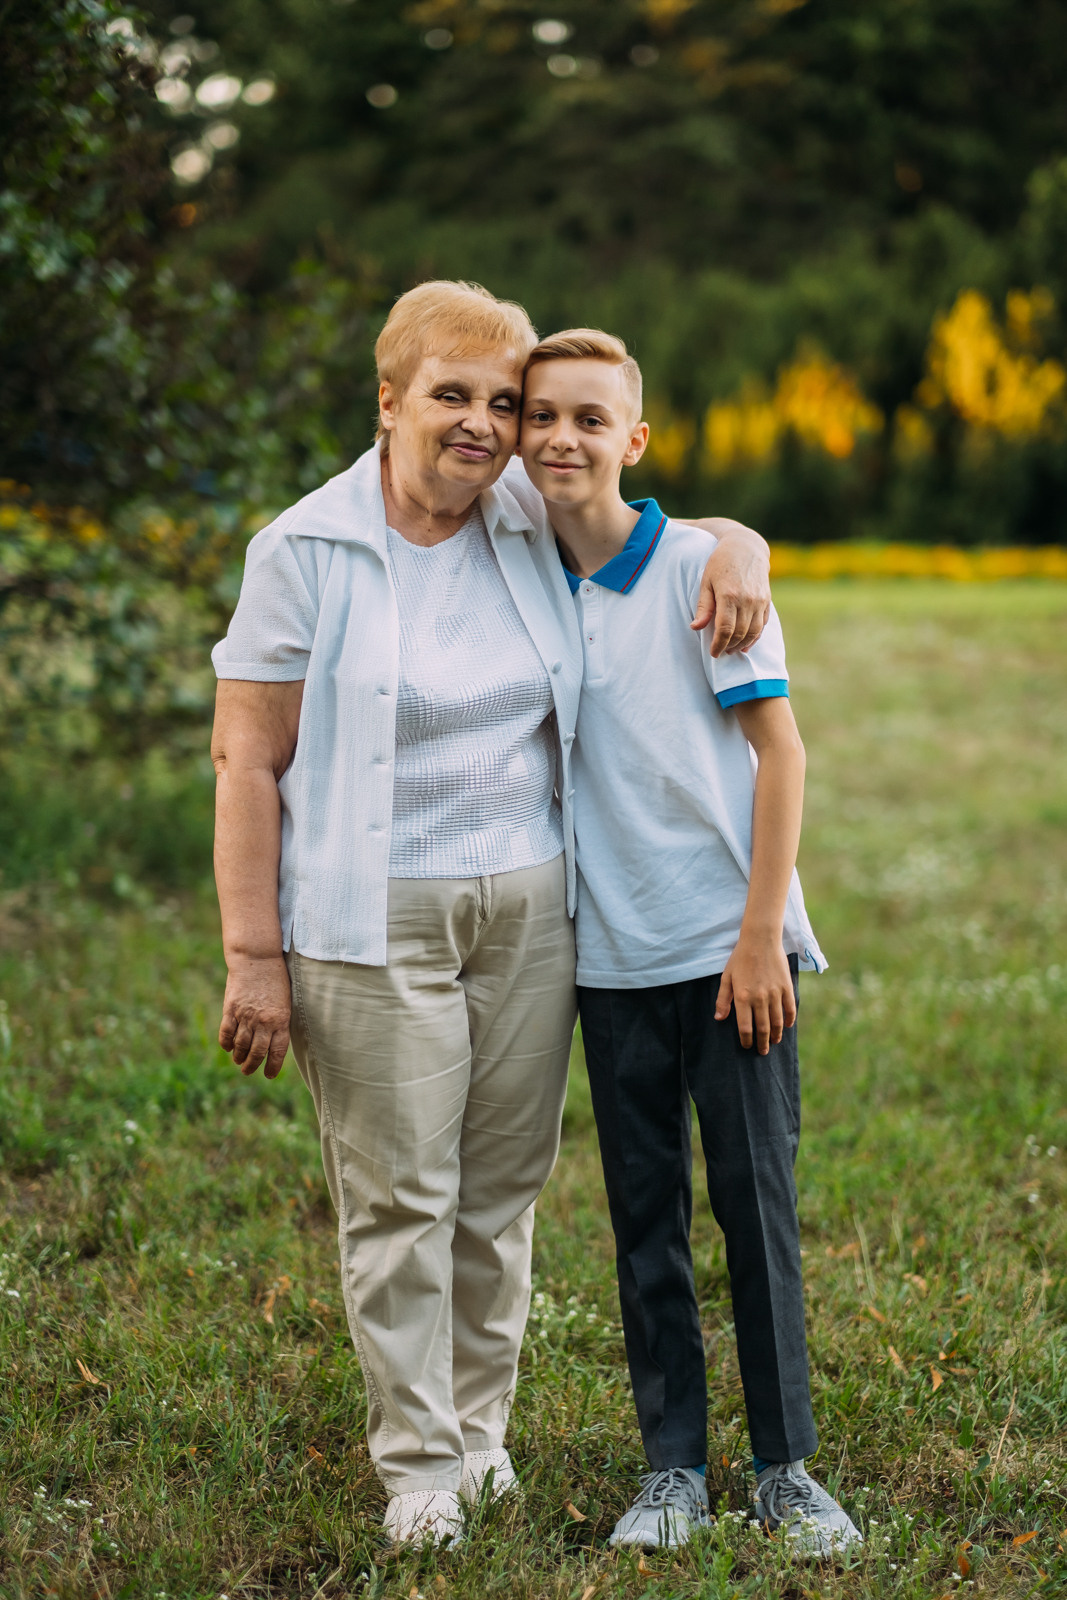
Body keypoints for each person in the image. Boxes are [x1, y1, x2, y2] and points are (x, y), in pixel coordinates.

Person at [209, 281, 773, 1546]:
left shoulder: (520, 510)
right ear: (388, 399)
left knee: (500, 1188)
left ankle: (479, 1434)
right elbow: (245, 759)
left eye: (501, 401)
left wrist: (739, 543)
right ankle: (417, 1464)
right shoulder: (303, 549)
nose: (482, 422)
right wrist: (252, 954)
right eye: (450, 394)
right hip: (369, 916)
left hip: (530, 904)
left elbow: (645, 516)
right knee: (401, 1195)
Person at [518, 328, 863, 1559]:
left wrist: (759, 934)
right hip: (606, 960)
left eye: (589, 418)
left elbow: (781, 753)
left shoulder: (699, 573)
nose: (562, 437)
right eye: (540, 415)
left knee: (752, 1210)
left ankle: (783, 1468)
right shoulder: (517, 570)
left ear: (636, 438)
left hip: (727, 953)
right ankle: (672, 1468)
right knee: (643, 1219)